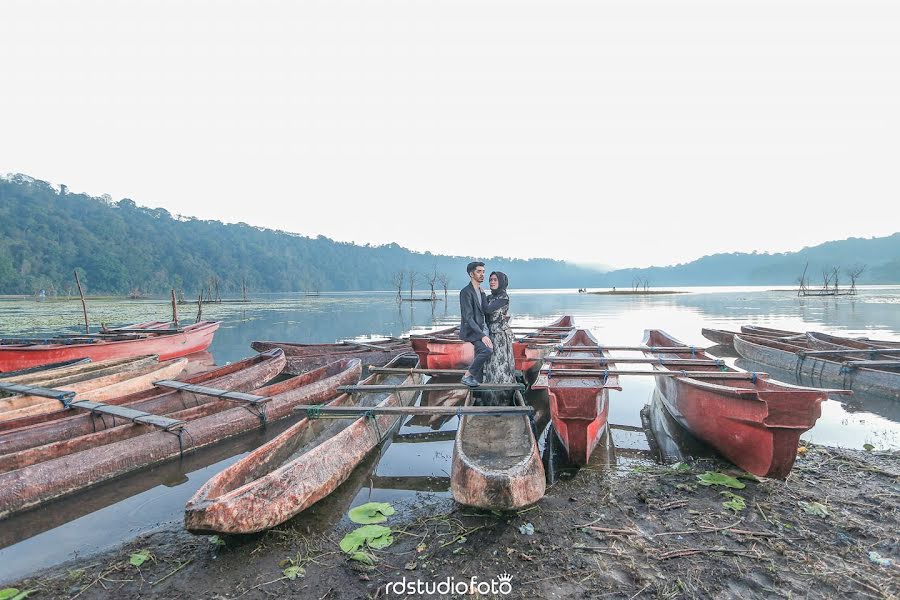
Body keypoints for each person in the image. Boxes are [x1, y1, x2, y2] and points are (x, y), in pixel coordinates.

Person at [480, 271, 516, 406]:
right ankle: (490, 400)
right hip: (490, 335)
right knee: (491, 368)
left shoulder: (503, 297)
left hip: (501, 337)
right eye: (490, 280)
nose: (492, 282)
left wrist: (482, 294)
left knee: (501, 369)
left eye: (495, 279)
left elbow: (488, 310)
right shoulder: (489, 297)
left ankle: (503, 400)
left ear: (501, 282)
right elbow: (482, 310)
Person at [459, 262, 492, 387]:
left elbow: (485, 309)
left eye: (483, 271)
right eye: (479, 271)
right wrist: (482, 335)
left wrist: (483, 294)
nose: (482, 274)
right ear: (471, 274)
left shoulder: (479, 290)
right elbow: (468, 317)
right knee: (486, 350)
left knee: (480, 353)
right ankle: (467, 376)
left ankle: (476, 385)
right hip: (472, 331)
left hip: (482, 329)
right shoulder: (465, 292)